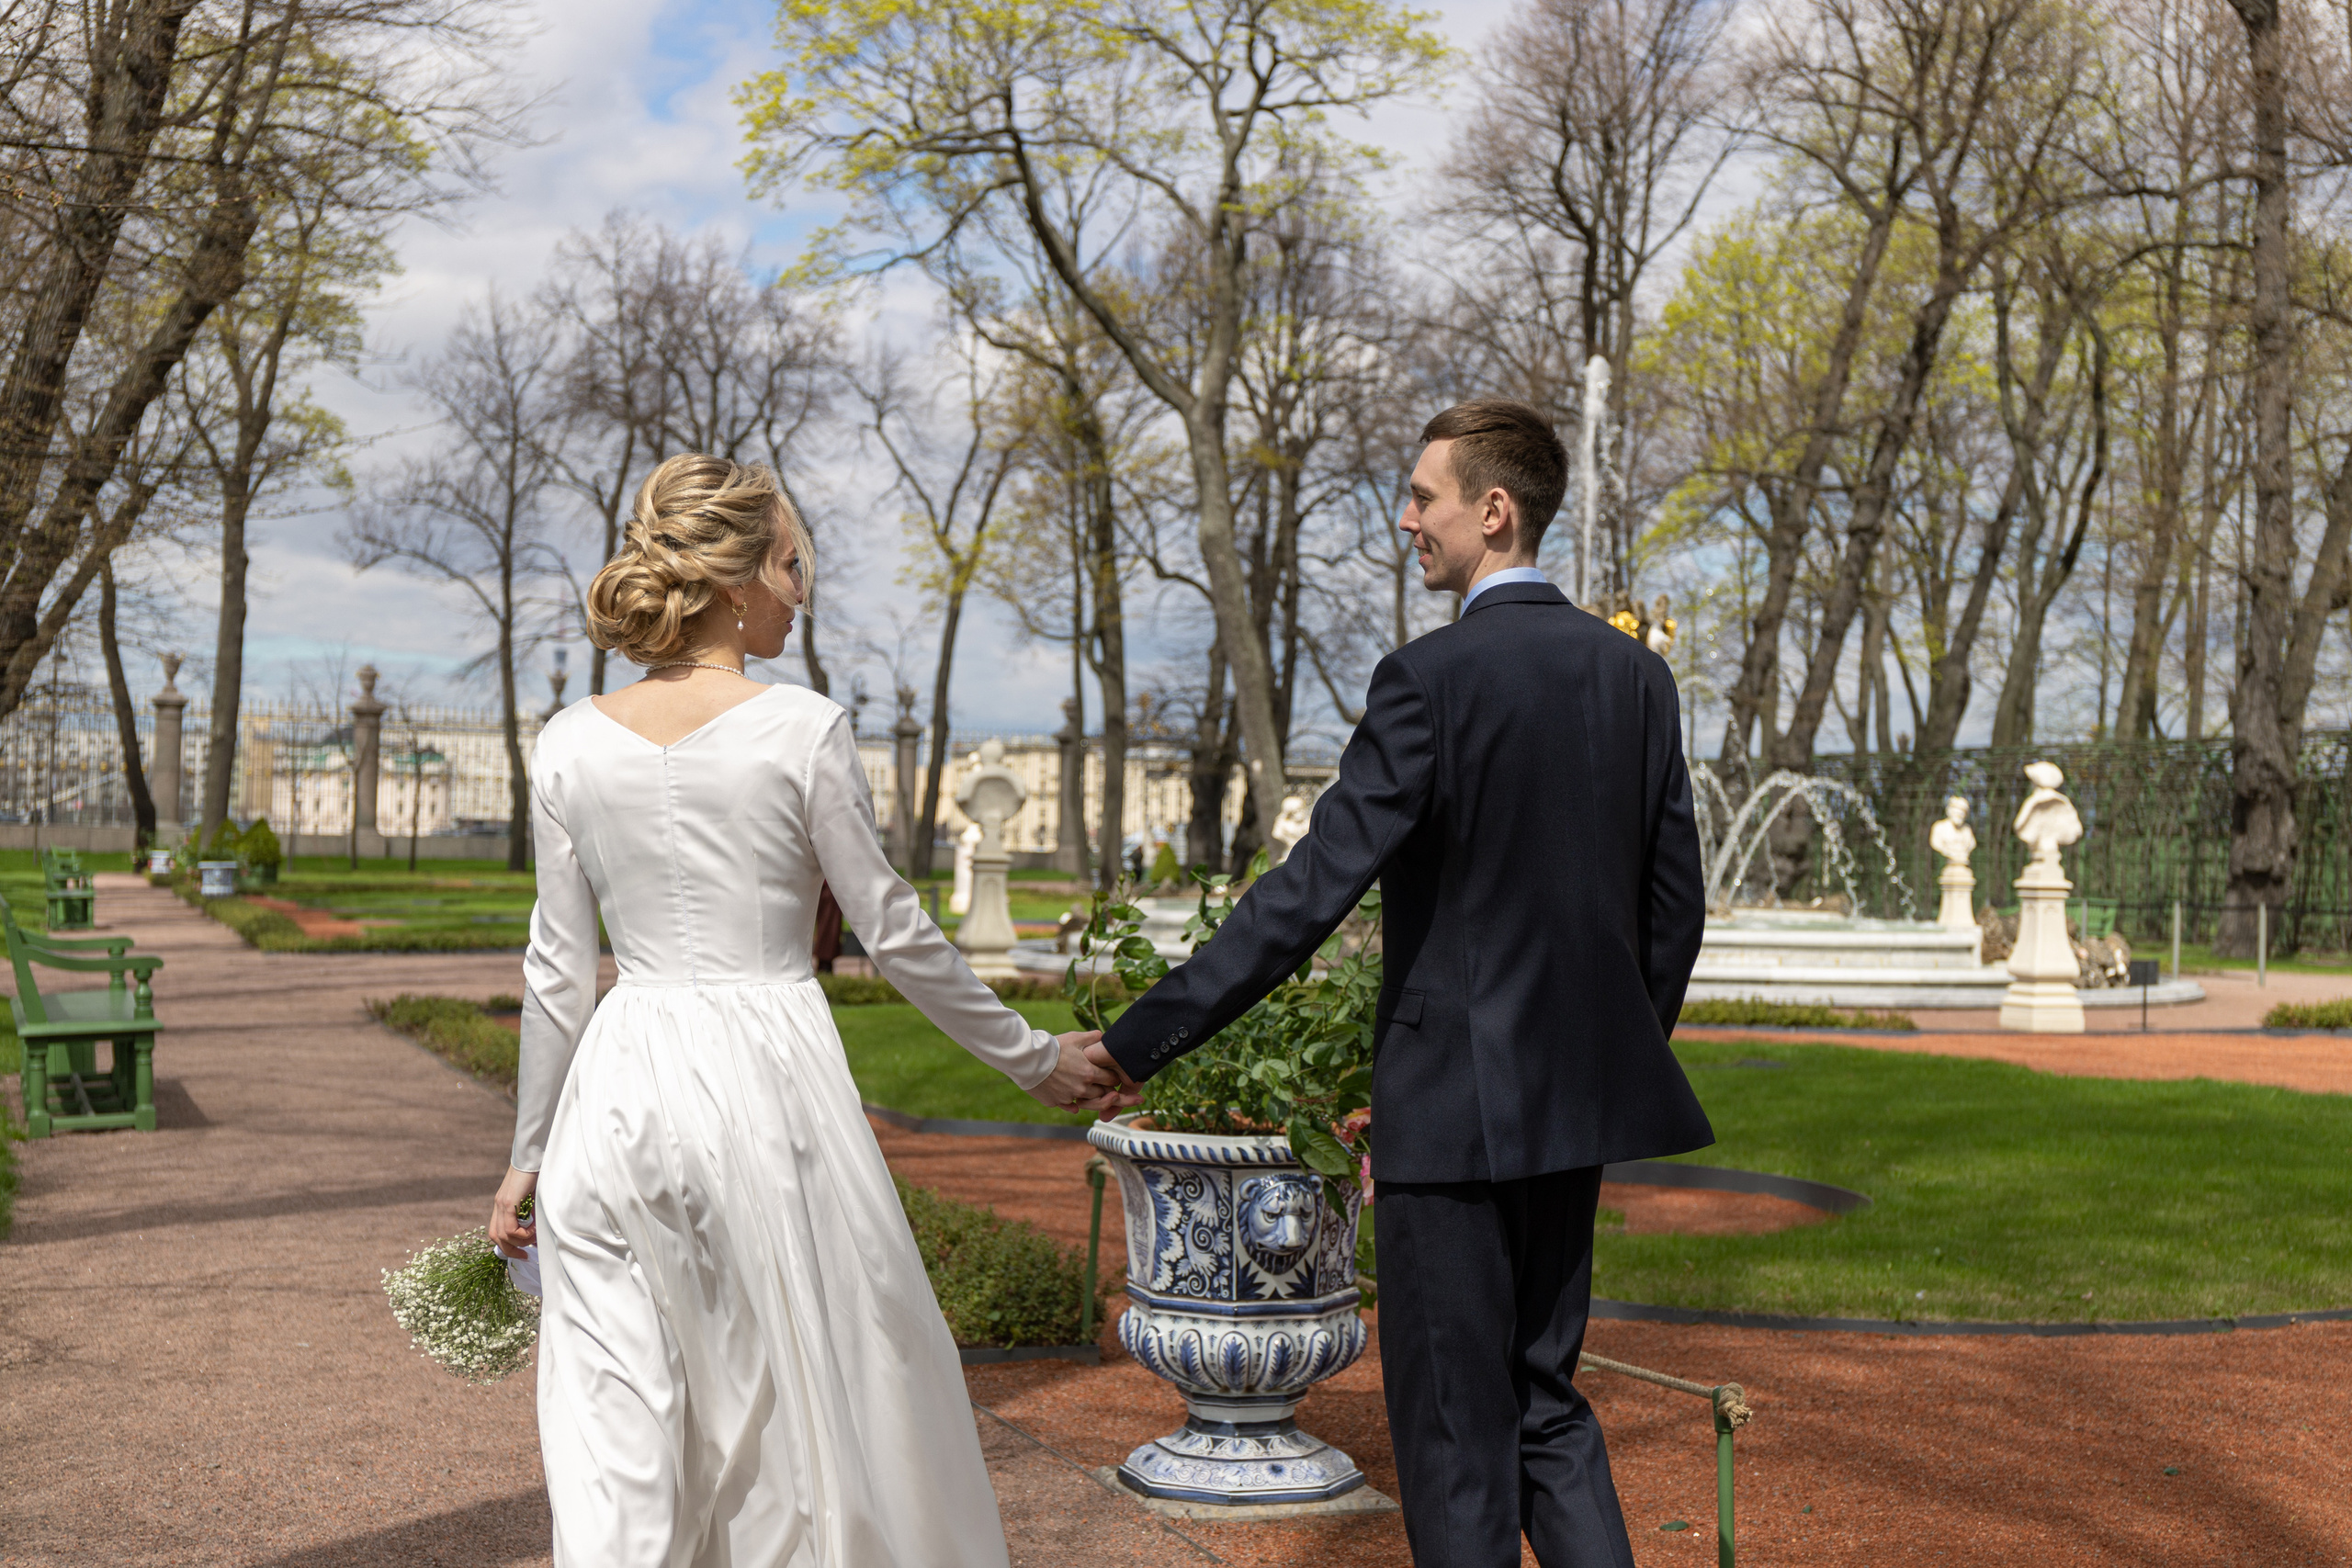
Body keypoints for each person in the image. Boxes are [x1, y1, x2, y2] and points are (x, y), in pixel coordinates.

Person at [1087, 400, 1713, 1567]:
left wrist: (1136, 1042)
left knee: (1449, 1428)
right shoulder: (1637, 678)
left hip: (1450, 1115)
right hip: (1570, 1111)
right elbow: (1674, 906)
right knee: (1545, 1405)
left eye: (1423, 498)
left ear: (1494, 509)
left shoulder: (1427, 679)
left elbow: (1306, 895)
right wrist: (1605, 1054)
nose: (1405, 521)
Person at [485, 453, 1124, 1567]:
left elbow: (555, 966)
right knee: (794, 1416)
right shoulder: (805, 729)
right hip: (766, 1087)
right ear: (735, 583)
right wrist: (1029, 1061)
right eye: (791, 563)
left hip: (618, 1094)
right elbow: (892, 925)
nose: (802, 588)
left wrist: (526, 1156)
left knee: (613, 1436)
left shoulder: (570, 739)